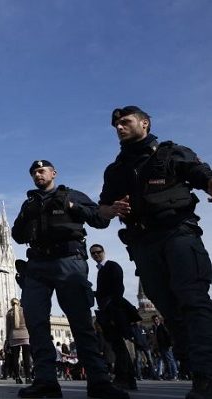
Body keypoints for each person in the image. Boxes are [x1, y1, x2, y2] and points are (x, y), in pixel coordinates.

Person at [98, 105, 212, 399]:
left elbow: (202, 175)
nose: (120, 128)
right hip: (143, 243)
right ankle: (196, 371)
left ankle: (206, 375)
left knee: (193, 301)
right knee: (170, 309)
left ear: (145, 123)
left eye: (126, 122)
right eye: (116, 125)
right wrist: (110, 210)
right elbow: (102, 210)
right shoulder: (117, 169)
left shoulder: (171, 152)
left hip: (178, 233)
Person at [12, 161, 127, 399]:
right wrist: (26, 219)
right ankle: (45, 381)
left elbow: (100, 219)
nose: (37, 175)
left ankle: (99, 381)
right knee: (36, 323)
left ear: (53, 173)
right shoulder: (30, 203)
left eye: (42, 171)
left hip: (68, 260)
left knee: (81, 322)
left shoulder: (71, 195)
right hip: (37, 265)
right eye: (34, 172)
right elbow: (16, 235)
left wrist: (73, 206)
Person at [90, 244, 140, 390]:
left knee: (118, 346)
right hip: (109, 310)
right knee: (118, 345)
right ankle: (129, 379)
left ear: (104, 252)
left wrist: (113, 310)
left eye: (98, 252)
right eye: (93, 253)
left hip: (114, 311)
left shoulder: (112, 266)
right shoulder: (101, 270)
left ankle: (123, 377)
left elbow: (118, 288)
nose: (96, 255)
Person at [6, 298, 31, 384]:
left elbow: (8, 328)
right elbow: (29, 323)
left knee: (15, 359)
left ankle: (17, 378)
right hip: (25, 336)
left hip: (13, 337)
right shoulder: (25, 311)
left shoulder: (9, 313)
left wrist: (7, 339)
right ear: (19, 303)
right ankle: (28, 377)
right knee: (26, 358)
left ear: (11, 303)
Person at [151, 315, 178, 380]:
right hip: (161, 346)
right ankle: (170, 374)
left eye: (157, 319)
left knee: (170, 360)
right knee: (166, 361)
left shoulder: (162, 326)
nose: (156, 321)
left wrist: (170, 345)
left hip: (166, 346)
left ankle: (174, 375)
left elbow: (168, 335)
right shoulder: (156, 327)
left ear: (159, 320)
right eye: (154, 320)